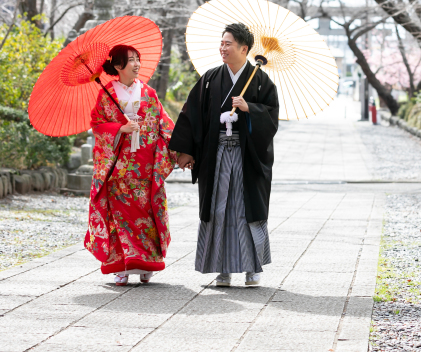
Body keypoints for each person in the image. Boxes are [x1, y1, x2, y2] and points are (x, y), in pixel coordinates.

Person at [169, 23, 279, 287]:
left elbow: (271, 117)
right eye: (222, 43)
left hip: (246, 156)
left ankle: (253, 268)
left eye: (228, 44)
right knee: (218, 209)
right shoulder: (210, 79)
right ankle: (222, 268)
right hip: (216, 153)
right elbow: (191, 114)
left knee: (245, 209)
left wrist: (250, 107)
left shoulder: (261, 80)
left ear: (244, 48)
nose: (223, 48)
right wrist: (186, 151)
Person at [85, 44, 177, 286]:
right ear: (118, 66)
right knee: (120, 216)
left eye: (138, 59)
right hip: (118, 167)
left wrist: (180, 151)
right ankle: (122, 265)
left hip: (145, 165)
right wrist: (119, 128)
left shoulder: (148, 92)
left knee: (146, 214)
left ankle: (146, 261)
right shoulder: (106, 94)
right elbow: (97, 124)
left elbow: (164, 124)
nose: (137, 64)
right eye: (131, 60)